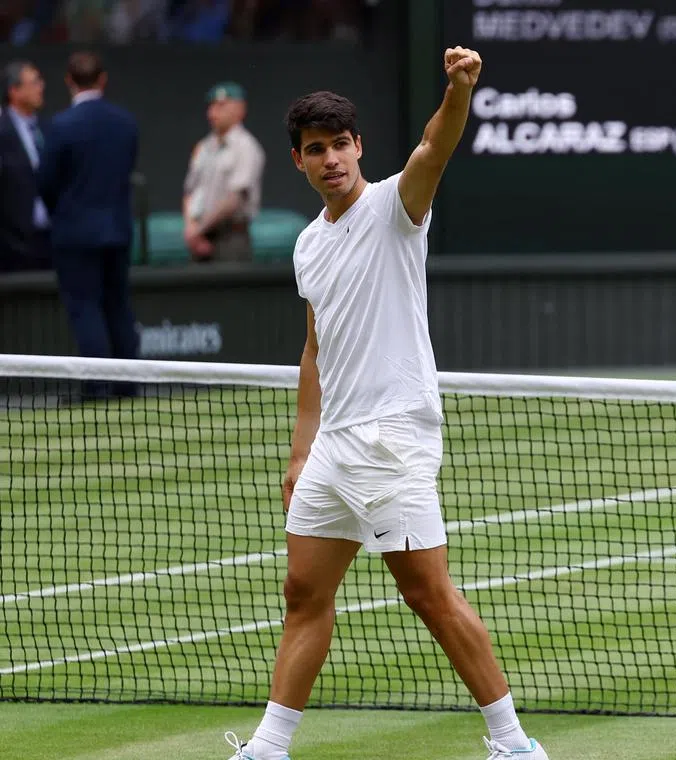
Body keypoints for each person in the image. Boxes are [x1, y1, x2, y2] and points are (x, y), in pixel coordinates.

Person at [222, 48, 550, 760]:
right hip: (333, 450)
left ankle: (514, 744)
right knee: (303, 595)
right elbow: (315, 349)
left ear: (358, 147)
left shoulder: (398, 206)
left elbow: (436, 144)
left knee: (427, 594)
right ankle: (268, 749)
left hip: (394, 439)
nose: (332, 158)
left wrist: (459, 89)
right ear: (299, 161)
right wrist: (301, 447)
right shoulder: (308, 245)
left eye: (341, 144)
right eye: (317, 150)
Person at [38, 50, 140, 398]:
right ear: (102, 80)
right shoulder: (125, 122)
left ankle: (97, 389)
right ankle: (129, 386)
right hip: (117, 231)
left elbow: (46, 183)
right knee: (118, 306)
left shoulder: (61, 125)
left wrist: (63, 213)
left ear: (69, 81)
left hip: (75, 235)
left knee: (86, 309)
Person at [182, 80, 265, 262]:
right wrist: (191, 229)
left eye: (221, 106)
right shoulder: (204, 147)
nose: (213, 112)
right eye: (211, 106)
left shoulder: (245, 147)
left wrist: (199, 229)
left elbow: (235, 198)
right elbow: (190, 191)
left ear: (240, 110)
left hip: (231, 237)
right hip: (200, 238)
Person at [0, 59, 51, 273]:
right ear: (14, 91)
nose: (42, 87)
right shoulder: (3, 132)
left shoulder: (47, 129)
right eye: (34, 82)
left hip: (50, 240)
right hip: (13, 244)